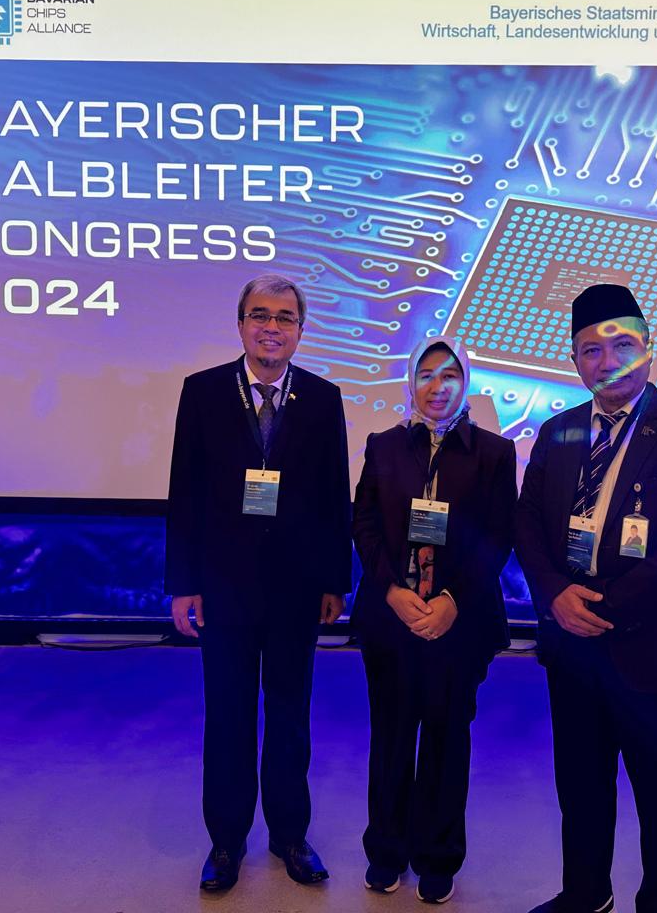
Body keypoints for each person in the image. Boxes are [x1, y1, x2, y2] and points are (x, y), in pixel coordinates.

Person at [514, 284, 657, 913]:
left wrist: (603, 609)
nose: (607, 362)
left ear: (649, 348)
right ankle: (585, 894)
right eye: (590, 350)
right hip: (571, 645)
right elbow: (528, 524)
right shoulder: (558, 432)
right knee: (581, 782)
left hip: (652, 645)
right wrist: (555, 594)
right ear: (574, 359)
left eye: (622, 345)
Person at [164, 273, 351, 893]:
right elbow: (185, 490)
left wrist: (335, 579)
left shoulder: (322, 398)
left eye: (285, 317)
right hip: (223, 586)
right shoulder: (203, 391)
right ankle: (225, 840)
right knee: (228, 715)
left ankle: (291, 835)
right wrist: (184, 582)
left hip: (297, 588)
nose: (272, 327)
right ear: (241, 323)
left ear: (300, 329)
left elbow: (334, 495)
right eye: (260, 315)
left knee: (291, 715)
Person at [350, 336, 517, 905]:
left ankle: (439, 857)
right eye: (426, 374)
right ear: (411, 382)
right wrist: (393, 591)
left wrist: (451, 599)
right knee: (391, 736)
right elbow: (365, 525)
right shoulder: (384, 446)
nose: (437, 386)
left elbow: (497, 537)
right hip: (391, 618)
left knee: (447, 739)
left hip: (458, 622)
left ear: (465, 383)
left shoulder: (494, 453)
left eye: (450, 375)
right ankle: (385, 851)